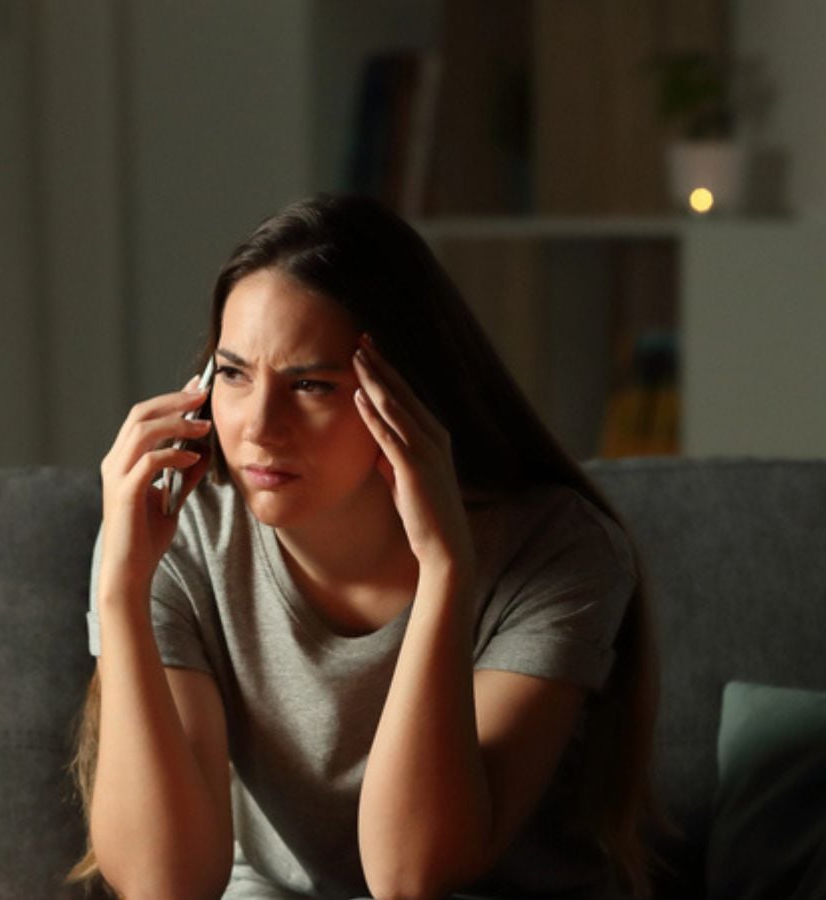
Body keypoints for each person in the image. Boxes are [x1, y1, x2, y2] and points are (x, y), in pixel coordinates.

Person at [68, 194, 662, 899]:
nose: (259, 425)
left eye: (312, 385)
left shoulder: (558, 551)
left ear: (405, 397)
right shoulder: (184, 528)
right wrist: (121, 590)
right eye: (232, 374)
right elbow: (164, 884)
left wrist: (444, 570)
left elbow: (413, 875)